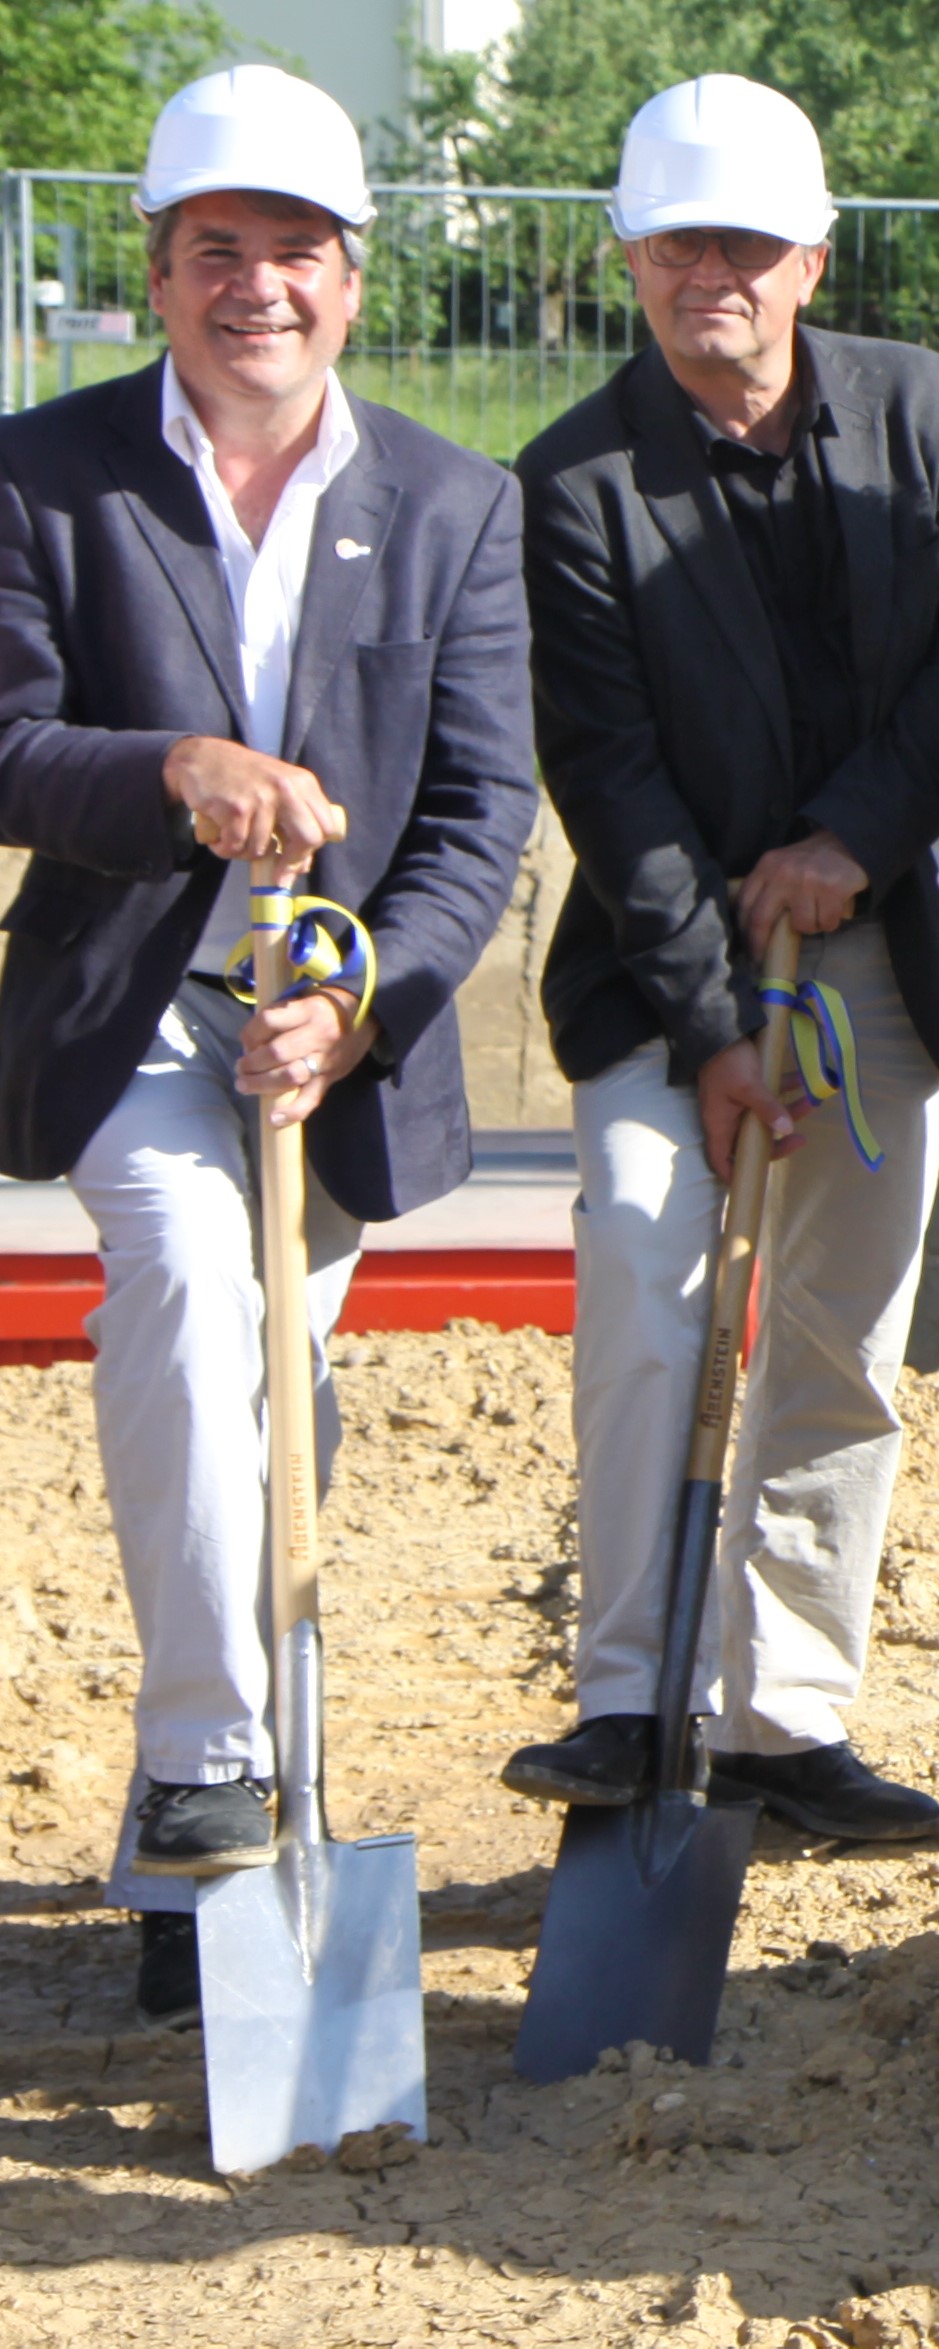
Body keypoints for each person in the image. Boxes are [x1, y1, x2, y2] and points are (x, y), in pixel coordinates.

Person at [0, 66, 538, 2023]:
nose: (256, 286)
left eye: (292, 249)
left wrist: (367, 983)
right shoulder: (40, 477)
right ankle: (225, 1756)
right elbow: (3, 744)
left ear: (353, 276)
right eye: (214, 249)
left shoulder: (453, 505)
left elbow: (484, 811)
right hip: (137, 1015)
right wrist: (175, 771)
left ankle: (197, 1836)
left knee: (270, 1400)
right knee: (184, 1289)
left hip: (333, 1039)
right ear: (155, 271)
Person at [501, 75, 939, 1841]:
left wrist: (851, 840)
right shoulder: (575, 480)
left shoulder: (925, 410)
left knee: (838, 1338)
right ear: (629, 257)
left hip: (881, 945)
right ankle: (630, 1700)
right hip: (668, 970)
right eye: (672, 241)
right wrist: (719, 1022)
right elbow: (612, 778)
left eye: (740, 240)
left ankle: (784, 1713)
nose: (705, 270)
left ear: (811, 255)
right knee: (650, 1296)